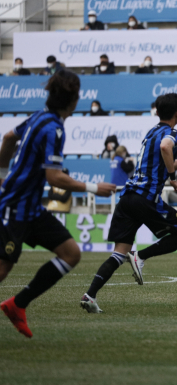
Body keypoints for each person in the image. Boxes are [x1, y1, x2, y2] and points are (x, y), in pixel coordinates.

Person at [0, 70, 115, 336]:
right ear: (73, 100)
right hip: (15, 208)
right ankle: (17, 305)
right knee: (3, 267)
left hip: (30, 209)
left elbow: (8, 138)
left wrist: (4, 175)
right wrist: (93, 188)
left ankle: (18, 305)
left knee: (70, 253)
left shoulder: (39, 117)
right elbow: (54, 177)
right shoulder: (54, 129)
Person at [81, 93, 177, 313]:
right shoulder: (172, 133)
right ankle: (141, 256)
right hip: (146, 198)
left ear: (157, 112)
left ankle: (89, 296)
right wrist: (173, 178)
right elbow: (166, 148)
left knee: (118, 254)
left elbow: (165, 155)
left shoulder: (151, 132)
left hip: (128, 197)